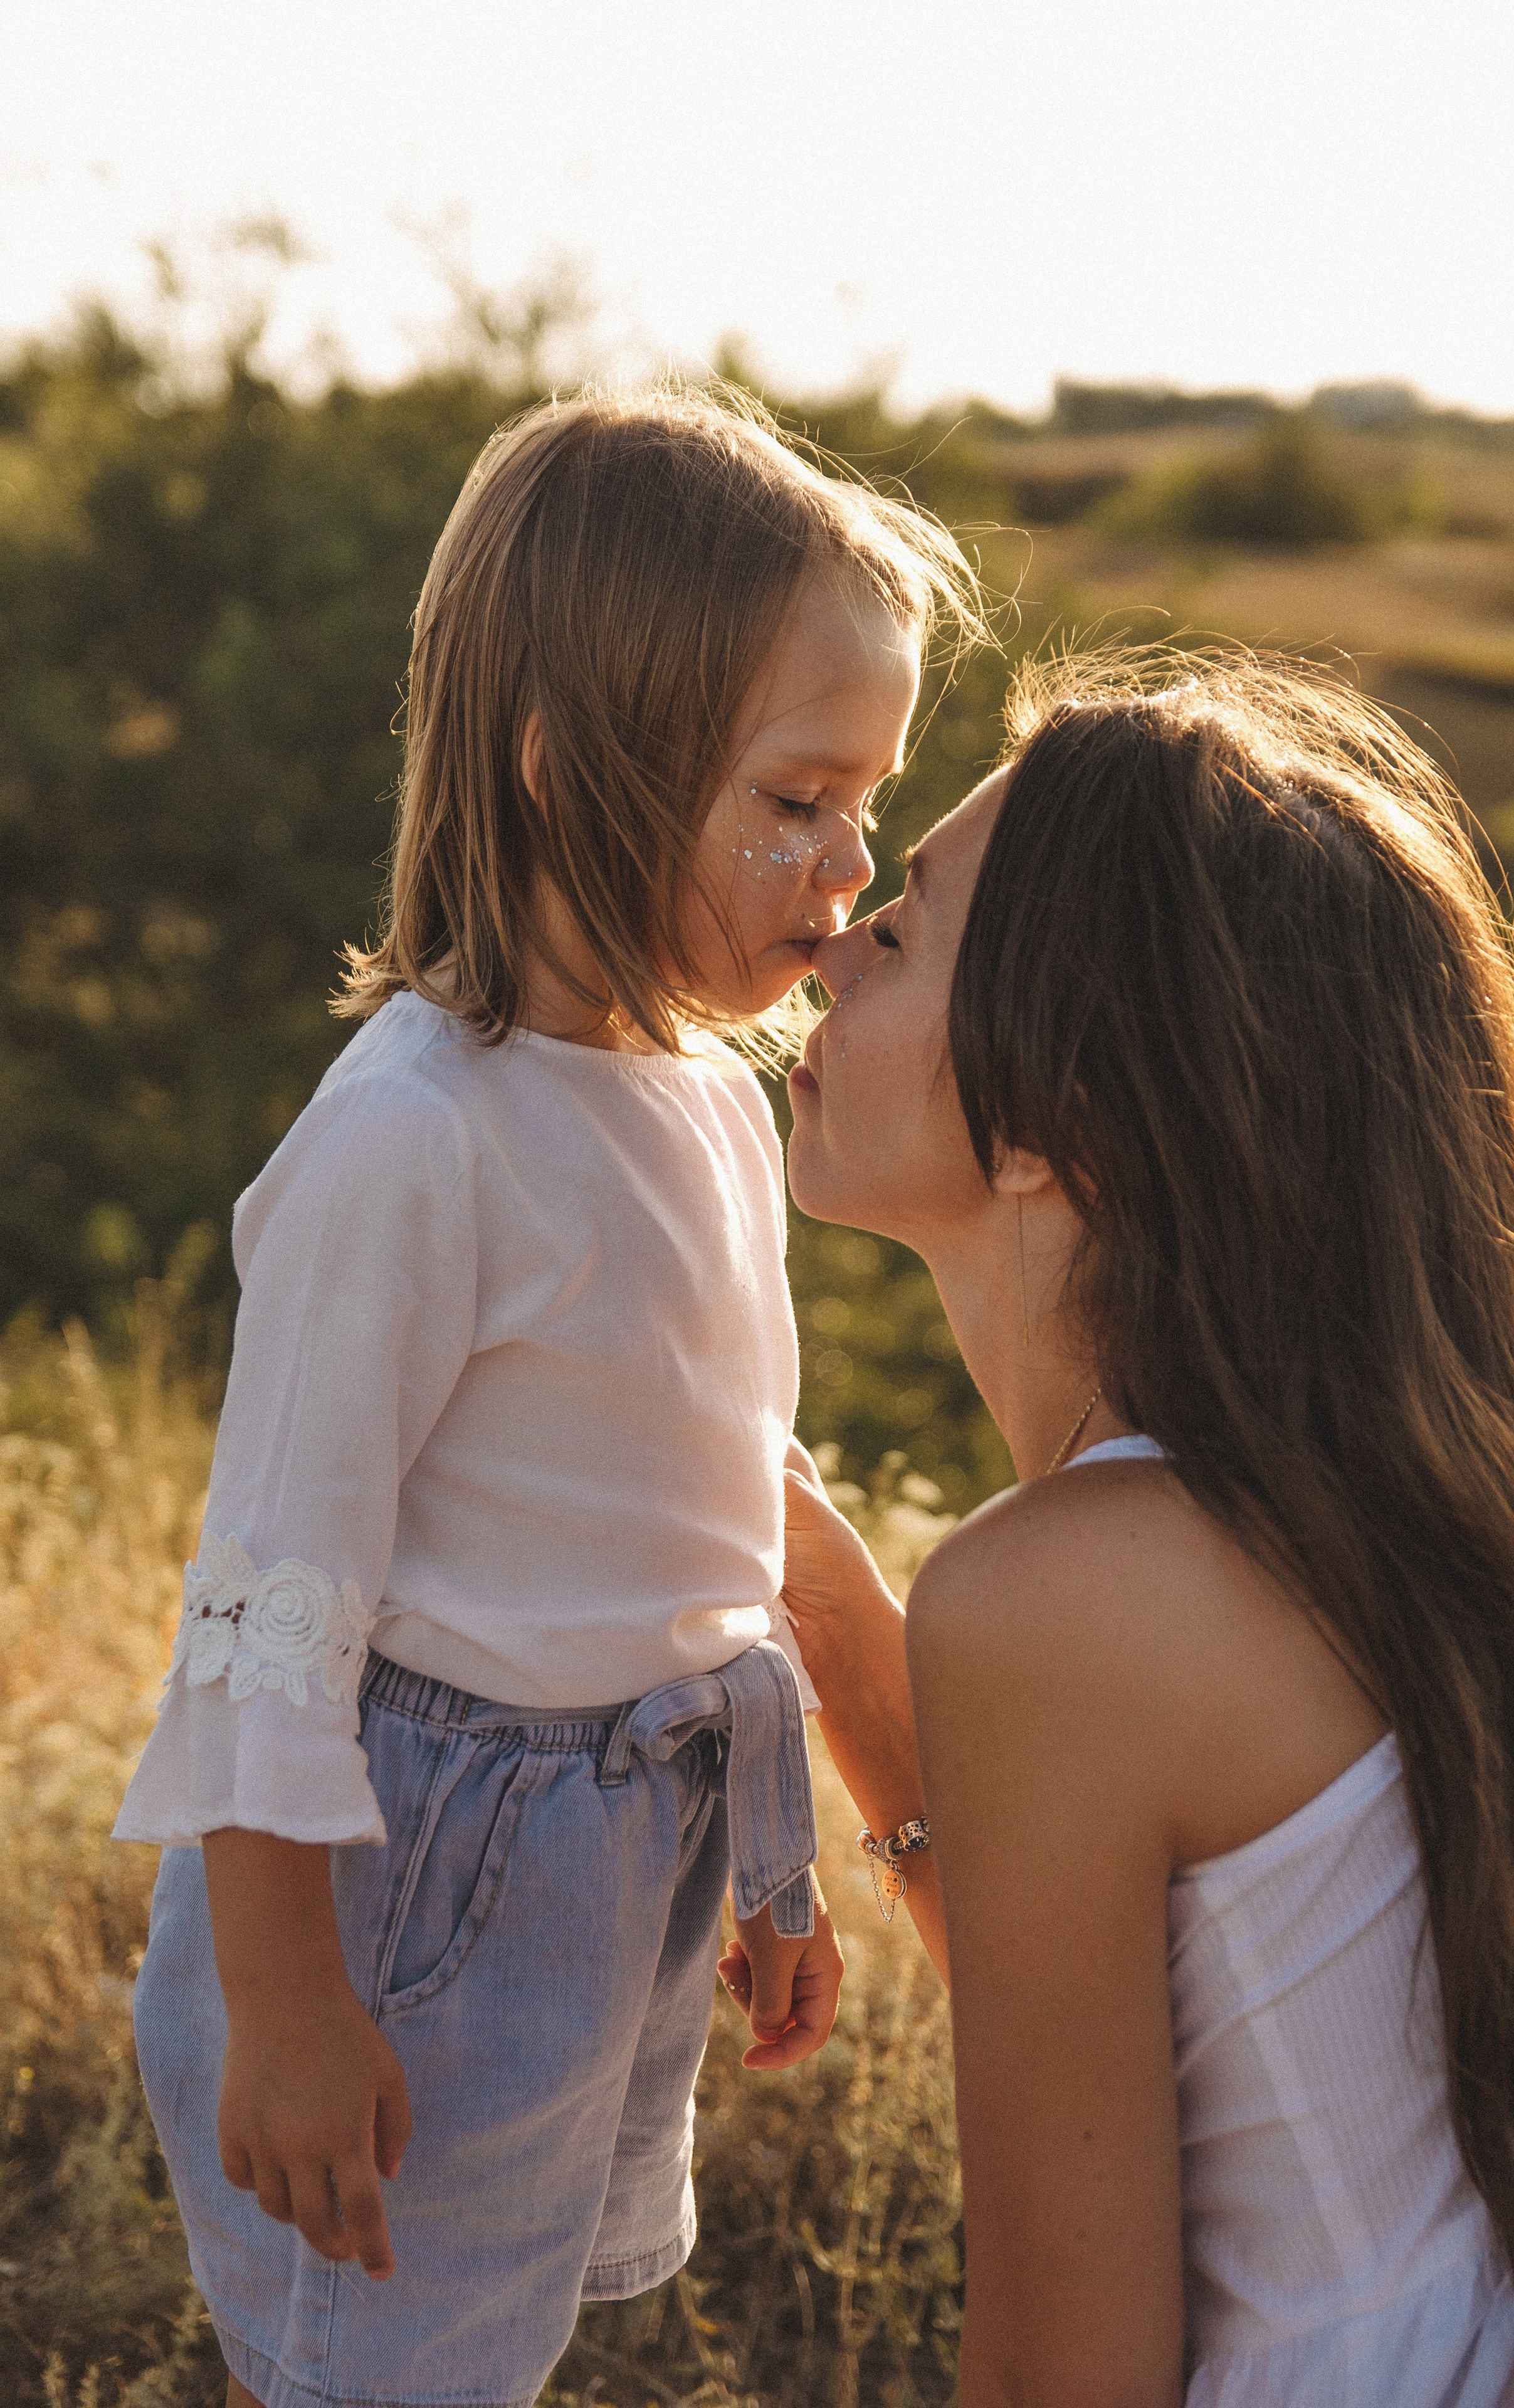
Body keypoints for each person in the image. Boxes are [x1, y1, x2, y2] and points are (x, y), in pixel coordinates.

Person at [113, 385, 980, 2408]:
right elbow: (267, 1600)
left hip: (610, 1849)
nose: (847, 875)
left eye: (870, 808)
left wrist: (770, 1851)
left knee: (469, 2345)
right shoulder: (417, 1135)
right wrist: (289, 2004)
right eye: (793, 801)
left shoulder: (704, 1100)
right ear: (561, 763)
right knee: (365, 2354)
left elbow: (711, 1486)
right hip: (400, 1877)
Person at [770, 654, 1514, 2405]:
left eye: (903, 936)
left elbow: (1066, 2380)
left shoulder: (1063, 1601)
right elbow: (1242, 2070)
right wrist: (847, 1645)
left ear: (1055, 1116)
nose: (825, 939)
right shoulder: (1413, 1512)